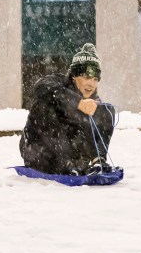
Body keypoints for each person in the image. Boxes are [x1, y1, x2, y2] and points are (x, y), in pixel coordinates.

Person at [19, 43, 116, 175]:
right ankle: (64, 164)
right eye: (86, 77)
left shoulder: (93, 100)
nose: (91, 84)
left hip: (73, 157)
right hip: (40, 154)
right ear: (74, 76)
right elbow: (39, 87)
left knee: (106, 109)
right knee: (46, 103)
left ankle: (97, 161)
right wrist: (78, 103)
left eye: (95, 79)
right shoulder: (57, 82)